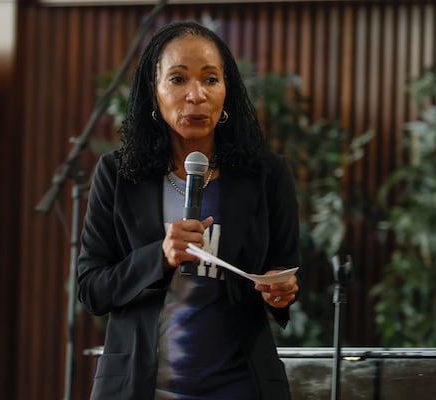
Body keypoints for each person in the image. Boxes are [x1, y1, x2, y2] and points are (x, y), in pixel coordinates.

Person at [77, 20, 300, 400]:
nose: (196, 95)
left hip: (240, 385)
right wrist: (159, 256)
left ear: (226, 90)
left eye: (210, 79)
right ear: (155, 90)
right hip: (139, 387)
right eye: (178, 79)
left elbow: (283, 268)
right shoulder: (118, 174)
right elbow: (92, 288)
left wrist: (280, 289)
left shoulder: (266, 174)